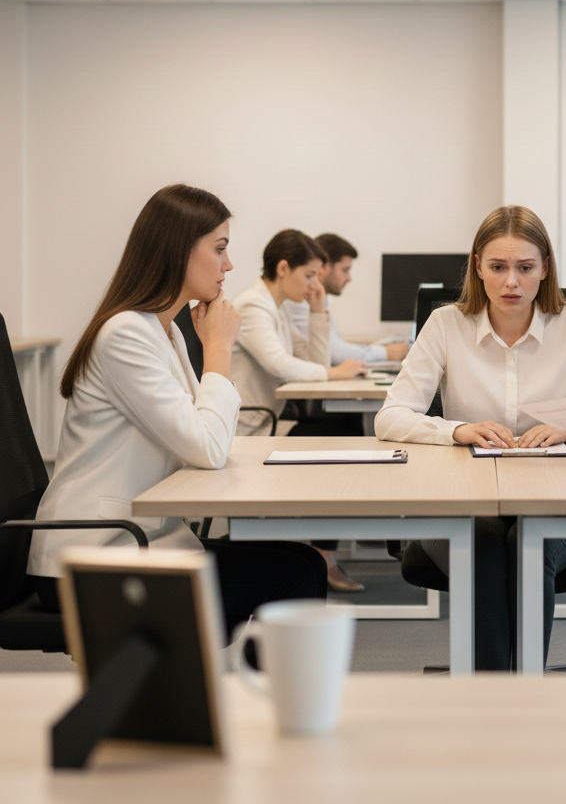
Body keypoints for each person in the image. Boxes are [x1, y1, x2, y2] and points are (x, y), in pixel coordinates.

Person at [27, 185, 326, 636]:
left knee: (301, 559)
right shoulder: (126, 334)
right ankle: (255, 700)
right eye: (220, 249)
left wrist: (211, 349)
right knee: (296, 573)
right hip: (93, 556)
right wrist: (219, 348)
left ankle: (217, 688)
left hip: (140, 539)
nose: (229, 265)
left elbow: (207, 437)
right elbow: (206, 447)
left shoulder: (163, 331)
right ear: (177, 250)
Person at [375, 205, 566, 670]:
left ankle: (518, 692)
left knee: (528, 540)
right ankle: (496, 694)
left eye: (525, 268)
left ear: (545, 270)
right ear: (478, 266)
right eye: (497, 267)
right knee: (481, 539)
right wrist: (456, 429)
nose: (510, 282)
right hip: (463, 501)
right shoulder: (445, 325)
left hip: (552, 502)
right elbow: (391, 416)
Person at [232, 228, 368, 592]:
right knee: (342, 431)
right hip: (253, 428)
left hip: (272, 419)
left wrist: (318, 310)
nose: (313, 284)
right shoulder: (252, 306)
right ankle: (324, 552)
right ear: (282, 269)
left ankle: (324, 548)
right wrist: (332, 373)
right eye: (308, 275)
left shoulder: (275, 309)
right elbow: (279, 364)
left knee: (345, 425)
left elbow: (310, 359)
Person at [284, 232, 408, 368]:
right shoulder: (299, 300)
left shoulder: (318, 299)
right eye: (345, 270)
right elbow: (334, 353)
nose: (349, 278)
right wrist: (386, 353)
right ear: (323, 267)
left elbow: (332, 347)